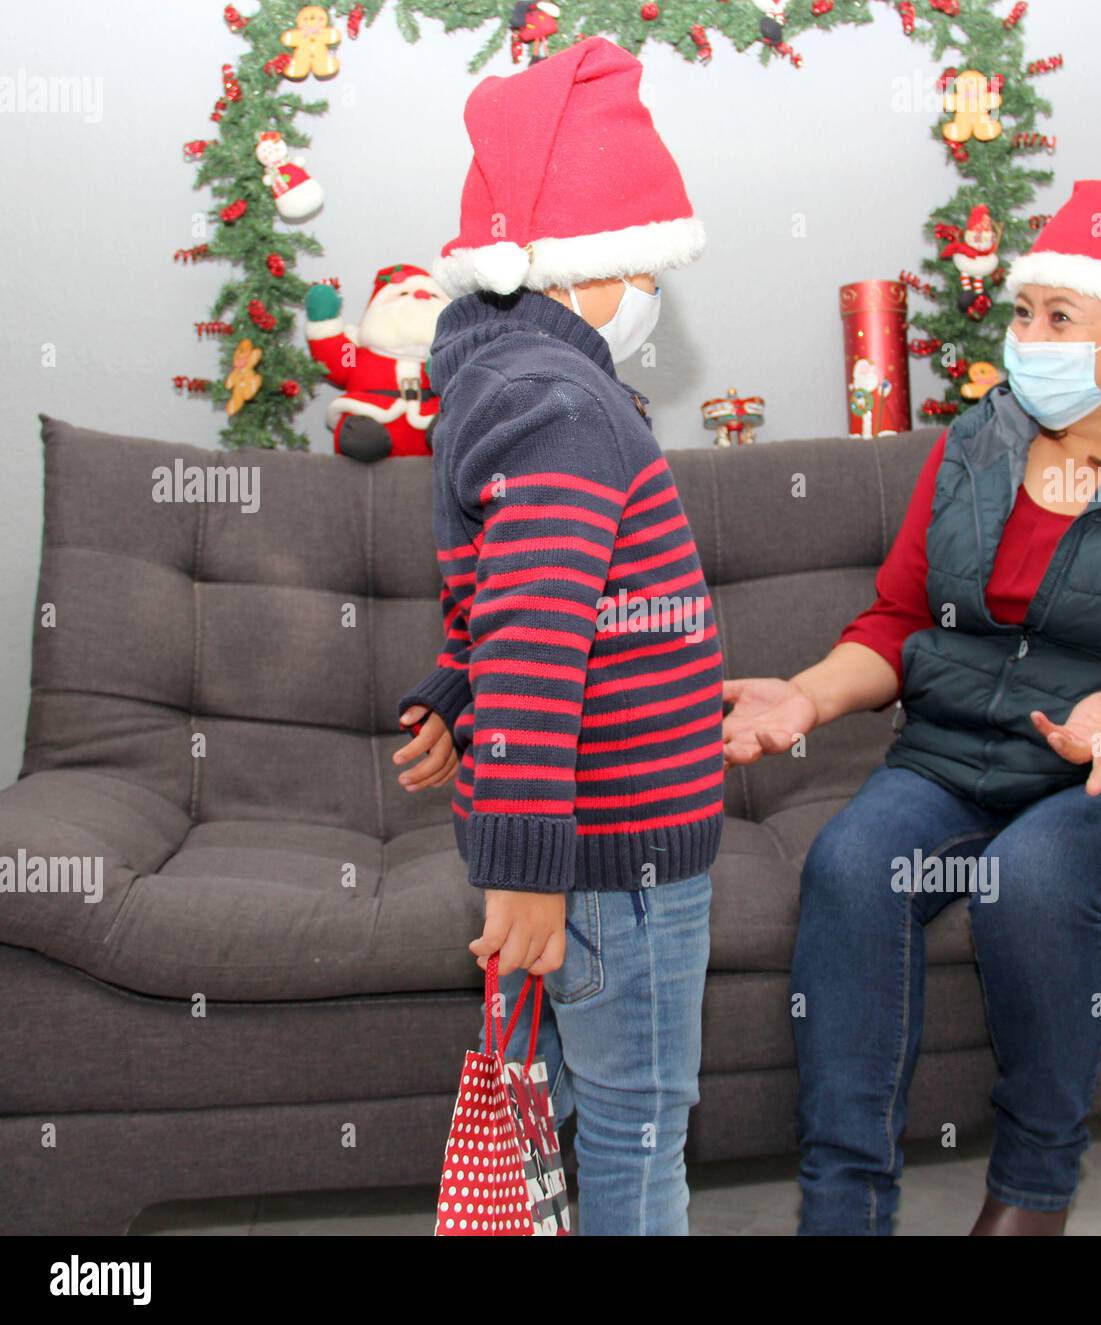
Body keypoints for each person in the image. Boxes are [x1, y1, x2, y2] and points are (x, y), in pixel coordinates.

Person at [722, 179, 1101, 1235]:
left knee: (1026, 877)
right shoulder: (974, 444)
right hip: (953, 750)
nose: (1026, 337)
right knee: (851, 865)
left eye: (1059, 318)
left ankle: (1032, 1194)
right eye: (1022, 311)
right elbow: (899, 619)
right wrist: (805, 694)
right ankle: (842, 1206)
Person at [391, 37, 722, 1236]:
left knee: (586, 1109)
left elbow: (509, 591)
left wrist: (451, 688)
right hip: (617, 851)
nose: (650, 294)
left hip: (584, 848)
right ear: (590, 268)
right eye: (645, 266)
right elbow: (537, 628)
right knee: (640, 1134)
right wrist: (527, 860)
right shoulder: (569, 403)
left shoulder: (505, 382)